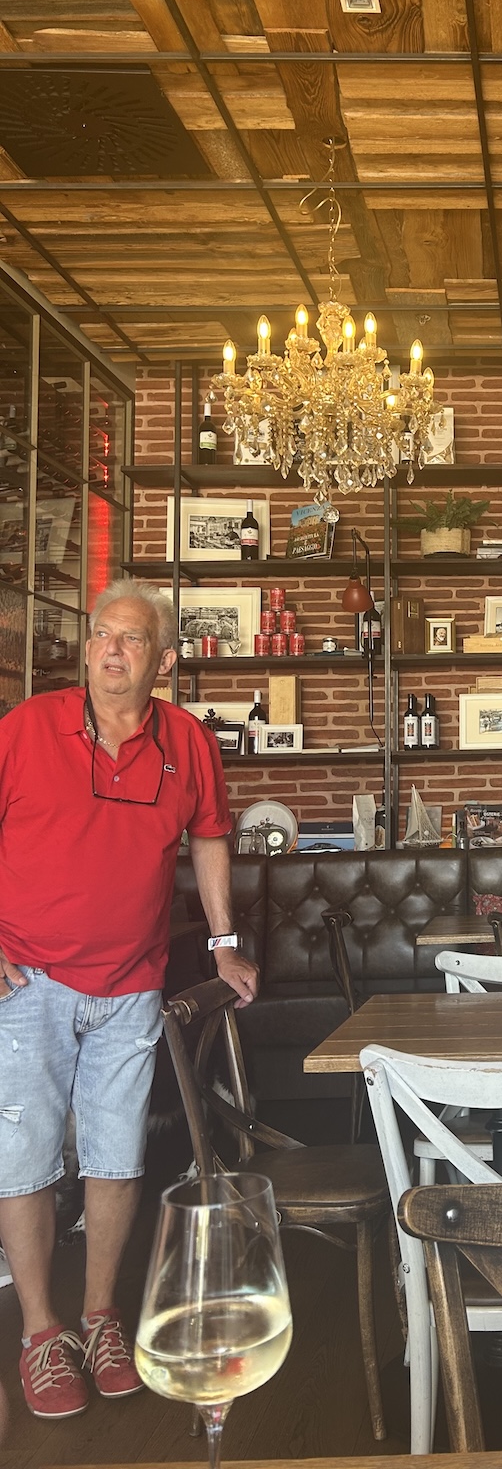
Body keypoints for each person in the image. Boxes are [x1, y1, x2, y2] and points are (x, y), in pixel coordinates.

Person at [0, 580, 258, 1421]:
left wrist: (222, 941)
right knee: (24, 1158)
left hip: (133, 984)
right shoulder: (26, 727)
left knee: (117, 1158)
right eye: (102, 635)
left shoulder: (188, 741)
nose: (111, 650)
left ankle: (101, 1317)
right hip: (28, 981)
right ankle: (42, 1332)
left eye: (132, 638)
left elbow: (210, 835)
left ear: (165, 661)